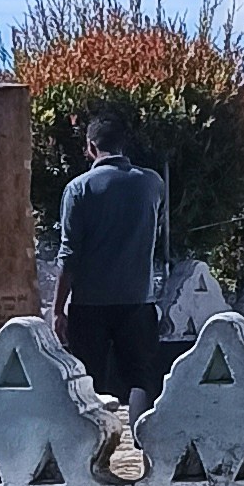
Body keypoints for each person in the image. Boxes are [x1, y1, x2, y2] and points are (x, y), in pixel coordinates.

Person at [49, 108, 168, 408]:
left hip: (90, 304)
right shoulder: (152, 184)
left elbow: (70, 253)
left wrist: (58, 308)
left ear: (90, 147)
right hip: (138, 299)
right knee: (140, 379)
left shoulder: (78, 189)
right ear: (123, 144)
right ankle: (145, 448)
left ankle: (94, 451)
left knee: (87, 381)